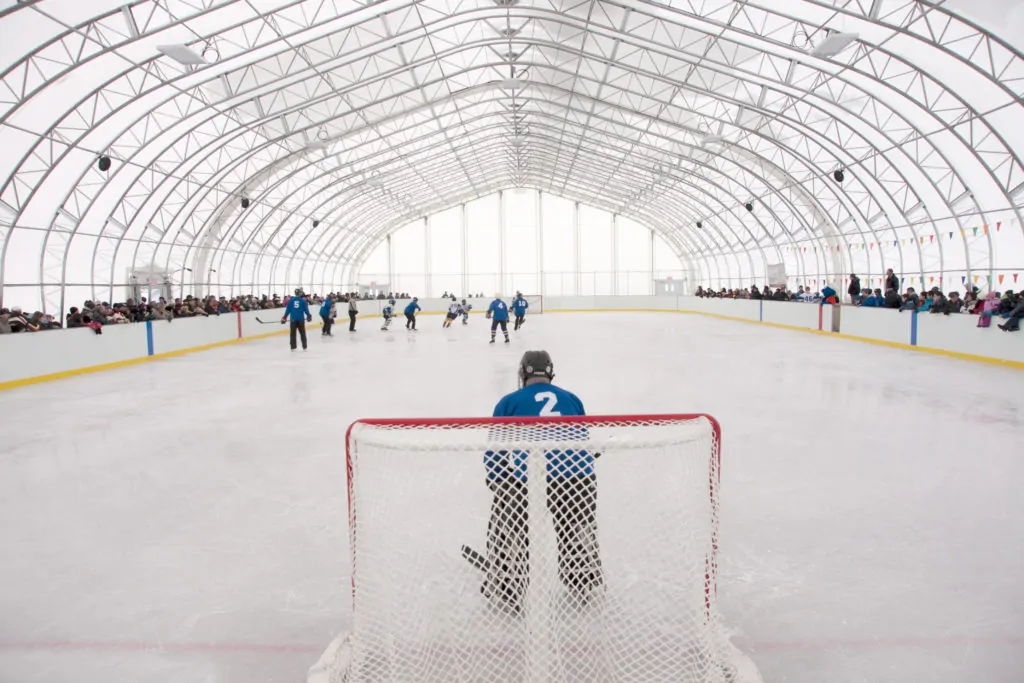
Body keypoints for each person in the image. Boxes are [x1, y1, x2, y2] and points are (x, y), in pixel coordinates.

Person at [480, 350, 602, 613]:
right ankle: (583, 577)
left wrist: (498, 480)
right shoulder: (572, 398)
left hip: (531, 480)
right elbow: (584, 441)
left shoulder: (509, 401)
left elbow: (496, 449)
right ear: (550, 373)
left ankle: (508, 582)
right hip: (578, 479)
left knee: (509, 528)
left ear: (523, 373)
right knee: (577, 529)